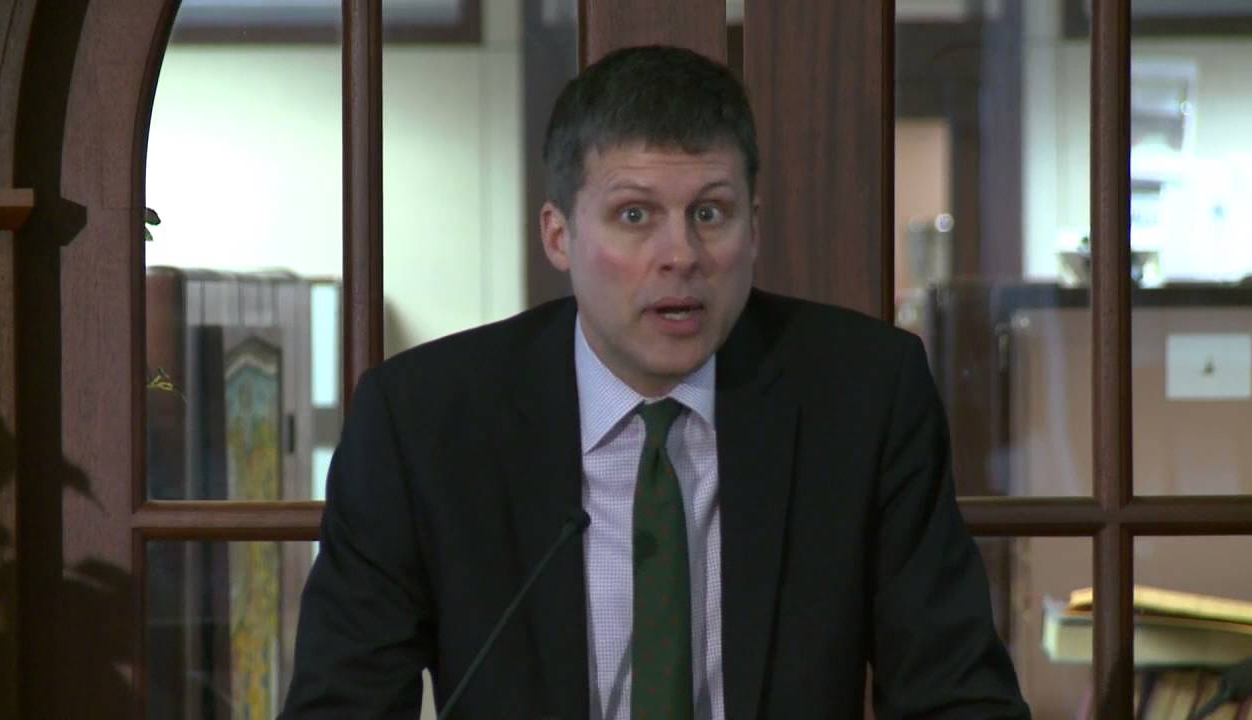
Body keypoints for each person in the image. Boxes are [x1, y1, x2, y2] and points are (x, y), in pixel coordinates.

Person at [281, 45, 1030, 720]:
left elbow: (955, 691)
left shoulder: (864, 395)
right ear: (558, 235)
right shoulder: (423, 421)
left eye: (711, 212)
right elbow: (341, 702)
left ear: (755, 228)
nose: (682, 255)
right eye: (634, 214)